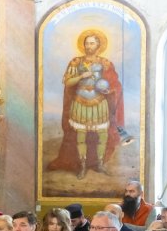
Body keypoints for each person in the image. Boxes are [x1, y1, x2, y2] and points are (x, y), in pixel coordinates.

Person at [45, 28, 124, 178]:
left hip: (100, 103)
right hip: (80, 103)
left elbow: (114, 83)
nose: (89, 46)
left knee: (102, 135)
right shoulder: (76, 62)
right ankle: (82, 165)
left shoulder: (105, 63)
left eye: (92, 43)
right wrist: (82, 75)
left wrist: (109, 89)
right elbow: (68, 82)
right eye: (87, 43)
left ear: (98, 45)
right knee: (80, 136)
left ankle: (100, 164)